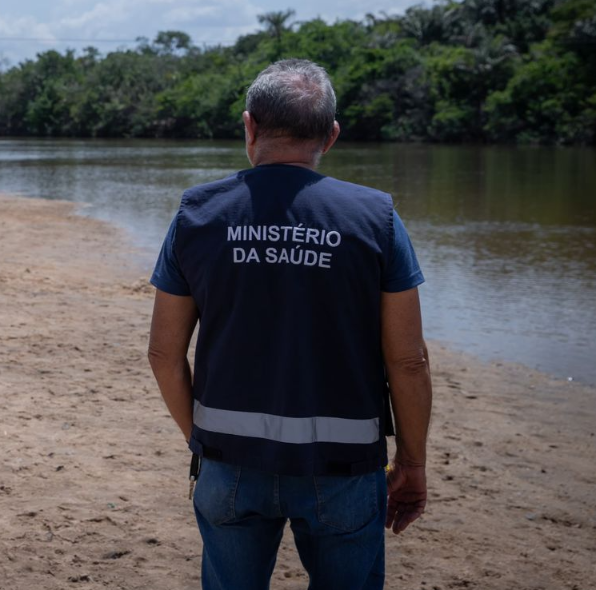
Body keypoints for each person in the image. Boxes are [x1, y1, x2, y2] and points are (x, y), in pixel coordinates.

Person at [146, 59, 432, 590]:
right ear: (332, 135)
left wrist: (203, 442)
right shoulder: (376, 217)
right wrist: (411, 462)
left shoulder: (198, 212)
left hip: (229, 462)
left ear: (249, 125)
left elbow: (163, 354)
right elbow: (408, 359)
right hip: (343, 469)